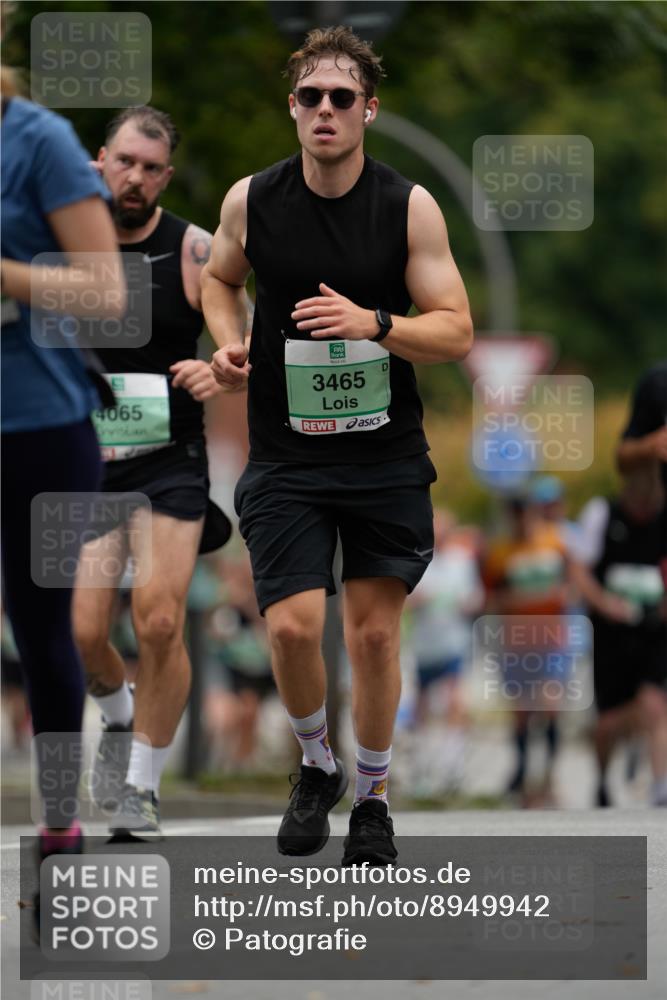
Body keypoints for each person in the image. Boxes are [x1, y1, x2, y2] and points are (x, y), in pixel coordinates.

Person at [202, 26, 473, 865]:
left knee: (373, 638)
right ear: (292, 109)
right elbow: (219, 278)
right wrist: (227, 341)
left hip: (383, 455)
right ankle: (315, 764)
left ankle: (374, 797)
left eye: (341, 98)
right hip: (285, 456)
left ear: (368, 110)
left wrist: (375, 323)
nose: (325, 110)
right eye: (311, 97)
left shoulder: (407, 206)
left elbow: (457, 330)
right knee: (287, 630)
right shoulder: (253, 200)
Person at [72, 107, 227, 839]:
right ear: (101, 158)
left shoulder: (194, 249)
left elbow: (243, 342)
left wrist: (218, 367)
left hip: (171, 460)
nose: (135, 178)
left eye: (151, 168)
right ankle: (119, 712)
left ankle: (141, 785)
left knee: (160, 618)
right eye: (125, 161)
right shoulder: (64, 238)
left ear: (167, 175)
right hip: (86, 464)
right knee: (82, 631)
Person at [1, 69, 125, 902]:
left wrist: (7, 276)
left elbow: (104, 291)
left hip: (37, 425)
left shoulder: (37, 141)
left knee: (42, 629)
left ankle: (57, 822)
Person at [570, 469, 667, 808]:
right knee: (608, 723)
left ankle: (660, 786)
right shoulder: (602, 513)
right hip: (611, 635)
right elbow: (579, 569)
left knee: (655, 704)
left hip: (654, 631)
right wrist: (604, 604)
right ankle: (602, 778)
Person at [482, 493, 571, 806]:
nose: (521, 520)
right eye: (515, 515)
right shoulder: (501, 552)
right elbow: (491, 598)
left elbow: (571, 585)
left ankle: (549, 773)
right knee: (521, 713)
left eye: (525, 513)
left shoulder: (556, 542)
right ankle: (521, 771)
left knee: (550, 704)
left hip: (551, 640)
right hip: (516, 641)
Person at [406, 510, 482, 796]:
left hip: (454, 643)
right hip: (426, 645)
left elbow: (475, 596)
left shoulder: (462, 561)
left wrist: (469, 604)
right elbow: (406, 598)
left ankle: (453, 766)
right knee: (422, 707)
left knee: (455, 701)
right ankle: (421, 766)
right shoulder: (417, 560)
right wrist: (418, 600)